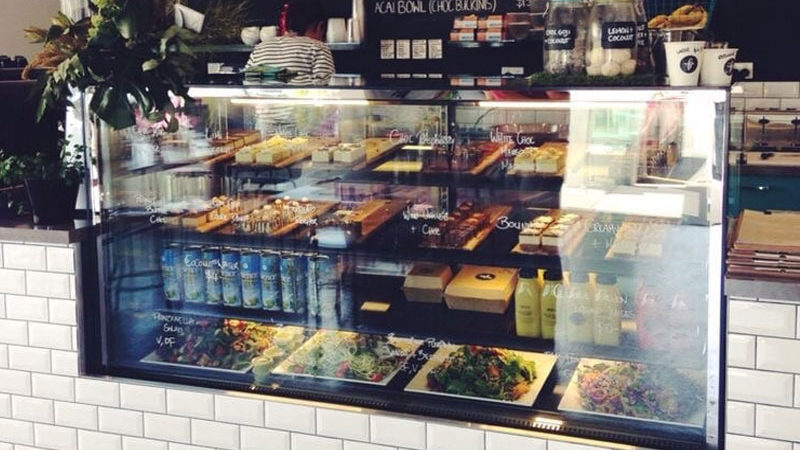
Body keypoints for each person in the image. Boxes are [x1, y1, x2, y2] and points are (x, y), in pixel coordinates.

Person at [245, 0, 335, 86]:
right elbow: (325, 85)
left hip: (263, 97)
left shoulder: (260, 47)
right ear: (320, 26)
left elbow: (248, 81)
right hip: (302, 97)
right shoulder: (318, 47)